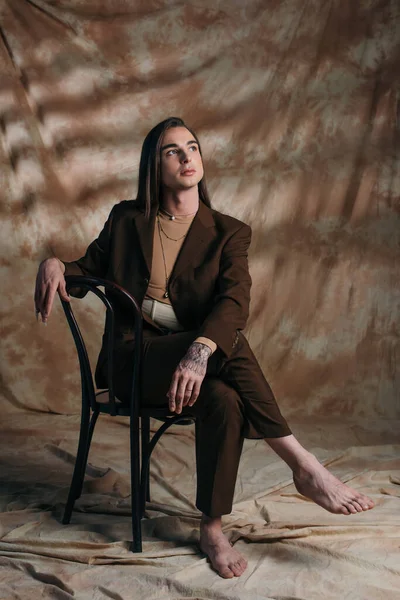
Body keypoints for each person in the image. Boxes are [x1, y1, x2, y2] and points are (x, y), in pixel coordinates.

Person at [34, 117, 374, 579]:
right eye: (172, 150)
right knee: (230, 345)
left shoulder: (229, 233)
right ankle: (303, 464)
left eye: (192, 147)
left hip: (194, 369)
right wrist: (55, 261)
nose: (187, 156)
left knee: (225, 397)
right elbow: (84, 268)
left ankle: (211, 528)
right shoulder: (126, 219)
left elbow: (234, 303)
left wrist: (198, 351)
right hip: (133, 362)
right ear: (154, 166)